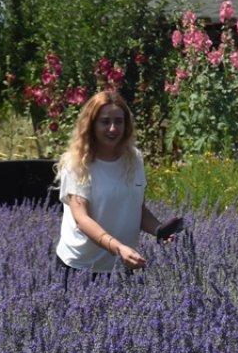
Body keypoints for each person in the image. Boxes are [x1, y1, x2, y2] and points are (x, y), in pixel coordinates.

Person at [55, 91, 172, 281]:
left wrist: (159, 230)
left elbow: (137, 209)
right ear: (91, 124)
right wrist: (118, 248)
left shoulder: (134, 159)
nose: (112, 128)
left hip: (122, 264)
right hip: (81, 267)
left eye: (119, 121)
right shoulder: (77, 163)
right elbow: (81, 218)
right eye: (105, 121)